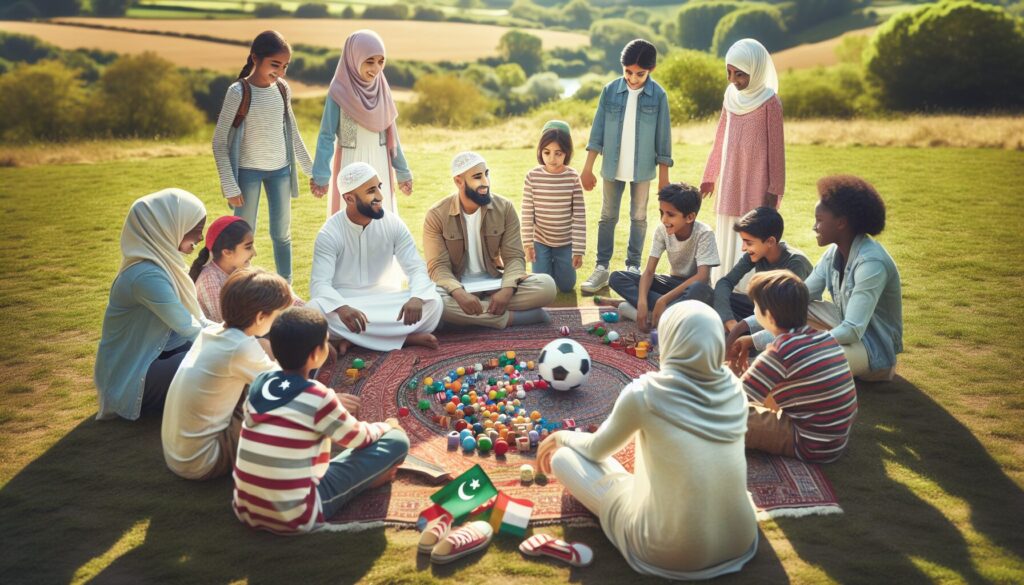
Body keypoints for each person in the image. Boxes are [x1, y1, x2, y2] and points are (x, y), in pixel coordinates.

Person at [537, 301, 758, 579]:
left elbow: (596, 450)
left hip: (667, 551)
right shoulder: (734, 388)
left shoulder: (646, 393)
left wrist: (563, 436)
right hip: (740, 539)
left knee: (564, 458)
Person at [233, 307, 409, 534]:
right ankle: (369, 479)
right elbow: (357, 438)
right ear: (316, 354)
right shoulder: (317, 396)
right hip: (297, 514)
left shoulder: (260, 383)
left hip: (245, 507)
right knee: (396, 441)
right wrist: (387, 426)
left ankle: (367, 477)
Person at [728, 175, 903, 381]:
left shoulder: (871, 263)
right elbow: (797, 300)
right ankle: (772, 361)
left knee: (802, 358)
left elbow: (853, 330)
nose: (814, 227)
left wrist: (796, 344)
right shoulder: (833, 254)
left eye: (819, 220)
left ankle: (767, 370)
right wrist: (750, 335)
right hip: (844, 329)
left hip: (873, 350)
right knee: (786, 306)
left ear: (841, 223)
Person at [161, 268, 294, 480]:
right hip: (204, 461)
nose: (277, 321)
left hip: (178, 455)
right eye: (277, 315)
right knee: (281, 403)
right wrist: (329, 398)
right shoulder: (240, 347)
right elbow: (288, 386)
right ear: (260, 317)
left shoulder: (212, 333)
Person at [94, 189, 211, 420]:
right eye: (197, 229)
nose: (201, 238)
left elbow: (199, 322)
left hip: (158, 357)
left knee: (212, 355)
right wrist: (240, 343)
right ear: (168, 226)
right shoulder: (146, 276)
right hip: (132, 376)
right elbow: (190, 328)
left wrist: (240, 334)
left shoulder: (167, 266)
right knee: (210, 363)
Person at [212, 30, 314, 284]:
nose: (280, 72)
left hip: (280, 171)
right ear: (255, 58)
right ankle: (240, 285)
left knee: (282, 234)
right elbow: (219, 141)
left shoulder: (282, 89)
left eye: (285, 66)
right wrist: (229, 184)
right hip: (247, 174)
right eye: (275, 65)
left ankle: (286, 286)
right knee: (243, 235)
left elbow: (293, 132)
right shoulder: (238, 92)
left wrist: (312, 171)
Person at [307, 162, 441, 354]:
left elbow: (415, 268)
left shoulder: (393, 224)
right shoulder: (330, 233)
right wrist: (342, 308)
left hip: (385, 298)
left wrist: (417, 297)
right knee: (313, 311)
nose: (380, 196)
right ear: (349, 198)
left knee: (434, 303)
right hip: (347, 301)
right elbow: (319, 284)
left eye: (379, 187)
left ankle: (353, 340)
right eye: (371, 191)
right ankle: (404, 338)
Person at [579, 39, 673, 294]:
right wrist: (588, 168)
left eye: (639, 73)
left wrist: (664, 176)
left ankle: (633, 267)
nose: (633, 78)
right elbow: (597, 132)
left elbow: (663, 139)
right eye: (628, 72)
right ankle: (601, 268)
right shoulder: (609, 91)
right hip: (612, 167)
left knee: (639, 217)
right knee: (607, 216)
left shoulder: (659, 95)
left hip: (642, 170)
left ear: (651, 70)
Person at [423, 152, 557, 329]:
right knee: (434, 300)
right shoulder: (436, 215)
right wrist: (459, 294)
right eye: (477, 177)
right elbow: (438, 267)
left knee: (547, 286)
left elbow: (515, 257)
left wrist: (506, 291)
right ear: (458, 181)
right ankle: (513, 318)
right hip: (457, 287)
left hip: (495, 284)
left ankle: (461, 319)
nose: (485, 182)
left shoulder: (505, 208)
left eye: (486, 174)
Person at [735, 270, 858, 463]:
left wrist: (726, 377)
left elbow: (733, 399)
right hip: (833, 438)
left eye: (756, 306)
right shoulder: (824, 336)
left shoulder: (780, 352)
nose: (754, 311)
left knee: (722, 416)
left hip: (809, 443)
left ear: (770, 316)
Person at [700, 38, 785, 285]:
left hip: (757, 179)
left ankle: (748, 290)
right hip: (730, 176)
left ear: (756, 71)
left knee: (751, 233)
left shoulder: (770, 102)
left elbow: (777, 151)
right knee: (728, 228)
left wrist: (774, 190)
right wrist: (709, 176)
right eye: (729, 72)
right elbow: (719, 138)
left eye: (739, 74)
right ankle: (723, 283)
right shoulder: (730, 96)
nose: (732, 80)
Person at [311, 29, 413, 217]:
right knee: (349, 217)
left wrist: (403, 172)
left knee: (380, 217)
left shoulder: (382, 88)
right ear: (354, 57)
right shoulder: (338, 90)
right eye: (369, 61)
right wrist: (321, 175)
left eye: (381, 62)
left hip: (380, 162)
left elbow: (393, 136)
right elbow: (326, 135)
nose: (376, 69)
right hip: (349, 163)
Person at [609, 183, 718, 331]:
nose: (664, 219)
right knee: (617, 277)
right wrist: (641, 302)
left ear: (690, 217)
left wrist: (663, 300)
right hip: (671, 285)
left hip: (694, 291)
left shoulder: (704, 233)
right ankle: (663, 314)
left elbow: (702, 277)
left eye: (670, 214)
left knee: (698, 289)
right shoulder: (662, 231)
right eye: (662, 212)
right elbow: (649, 271)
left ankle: (658, 312)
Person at [714, 206, 812, 332]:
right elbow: (725, 282)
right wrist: (730, 321)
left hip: (785, 319)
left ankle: (744, 338)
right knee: (707, 294)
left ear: (770, 241)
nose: (743, 248)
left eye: (749, 243)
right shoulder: (757, 254)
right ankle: (734, 330)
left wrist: (740, 327)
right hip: (760, 311)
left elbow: (784, 313)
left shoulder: (796, 263)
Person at [521, 120, 586, 293]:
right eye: (547, 152)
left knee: (566, 286)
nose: (552, 158)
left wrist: (578, 250)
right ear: (540, 151)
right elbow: (527, 213)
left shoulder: (572, 177)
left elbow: (579, 216)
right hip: (540, 240)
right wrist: (528, 244)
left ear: (567, 153)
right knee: (542, 285)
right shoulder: (532, 177)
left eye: (558, 153)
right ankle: (546, 264)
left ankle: (558, 264)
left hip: (565, 242)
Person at [190, 216, 255, 322]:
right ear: (227, 252)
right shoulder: (210, 282)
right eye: (248, 247)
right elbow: (228, 326)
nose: (254, 253)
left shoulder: (239, 269)